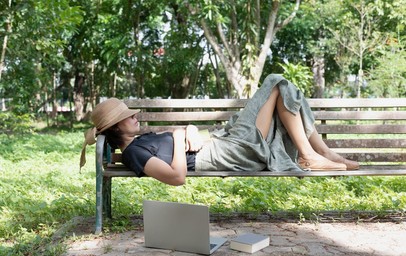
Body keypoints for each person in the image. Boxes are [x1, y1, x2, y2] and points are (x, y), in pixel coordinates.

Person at [80, 74, 359, 186]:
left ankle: (320, 152)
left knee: (285, 87)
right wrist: (179, 135)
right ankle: (311, 154)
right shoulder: (134, 155)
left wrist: (188, 127)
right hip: (225, 153)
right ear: (117, 127)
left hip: (222, 141)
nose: (136, 117)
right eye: (129, 117)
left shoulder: (141, 142)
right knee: (277, 84)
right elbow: (177, 177)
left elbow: (184, 142)